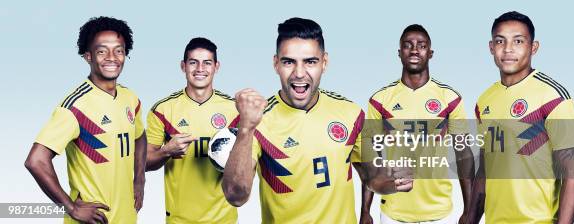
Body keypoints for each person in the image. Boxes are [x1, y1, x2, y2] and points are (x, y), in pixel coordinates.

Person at [221, 17, 412, 223]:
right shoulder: (255, 119)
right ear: (276, 64)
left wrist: (394, 182)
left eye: (310, 62)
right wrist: (245, 129)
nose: (299, 73)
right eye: (289, 62)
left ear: (324, 63)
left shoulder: (350, 113)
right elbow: (235, 195)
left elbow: (372, 178)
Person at [25, 16, 146, 224]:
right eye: (102, 51)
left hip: (127, 216)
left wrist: (140, 180)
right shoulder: (75, 106)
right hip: (93, 220)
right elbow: (36, 161)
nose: (111, 57)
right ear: (88, 56)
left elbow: (140, 136)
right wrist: (71, 207)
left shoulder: (131, 98)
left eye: (118, 50)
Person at [467, 11, 574, 224]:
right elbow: (485, 169)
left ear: (533, 47)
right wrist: (469, 218)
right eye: (500, 41)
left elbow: (572, 175)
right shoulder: (484, 101)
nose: (508, 48)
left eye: (518, 41)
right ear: (491, 47)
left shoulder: (553, 96)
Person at [361, 24, 474, 224]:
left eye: (421, 45)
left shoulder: (450, 98)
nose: (414, 50)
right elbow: (371, 160)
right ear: (399, 53)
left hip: (440, 213)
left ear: (430, 53)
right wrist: (365, 211)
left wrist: (469, 211)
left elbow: (463, 155)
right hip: (393, 213)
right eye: (408, 45)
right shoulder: (379, 100)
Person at [145, 37, 239, 223]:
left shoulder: (235, 109)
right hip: (180, 219)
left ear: (216, 67)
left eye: (207, 63)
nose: (200, 69)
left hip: (223, 219)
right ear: (183, 66)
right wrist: (166, 151)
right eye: (193, 62)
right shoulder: (163, 109)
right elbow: (145, 163)